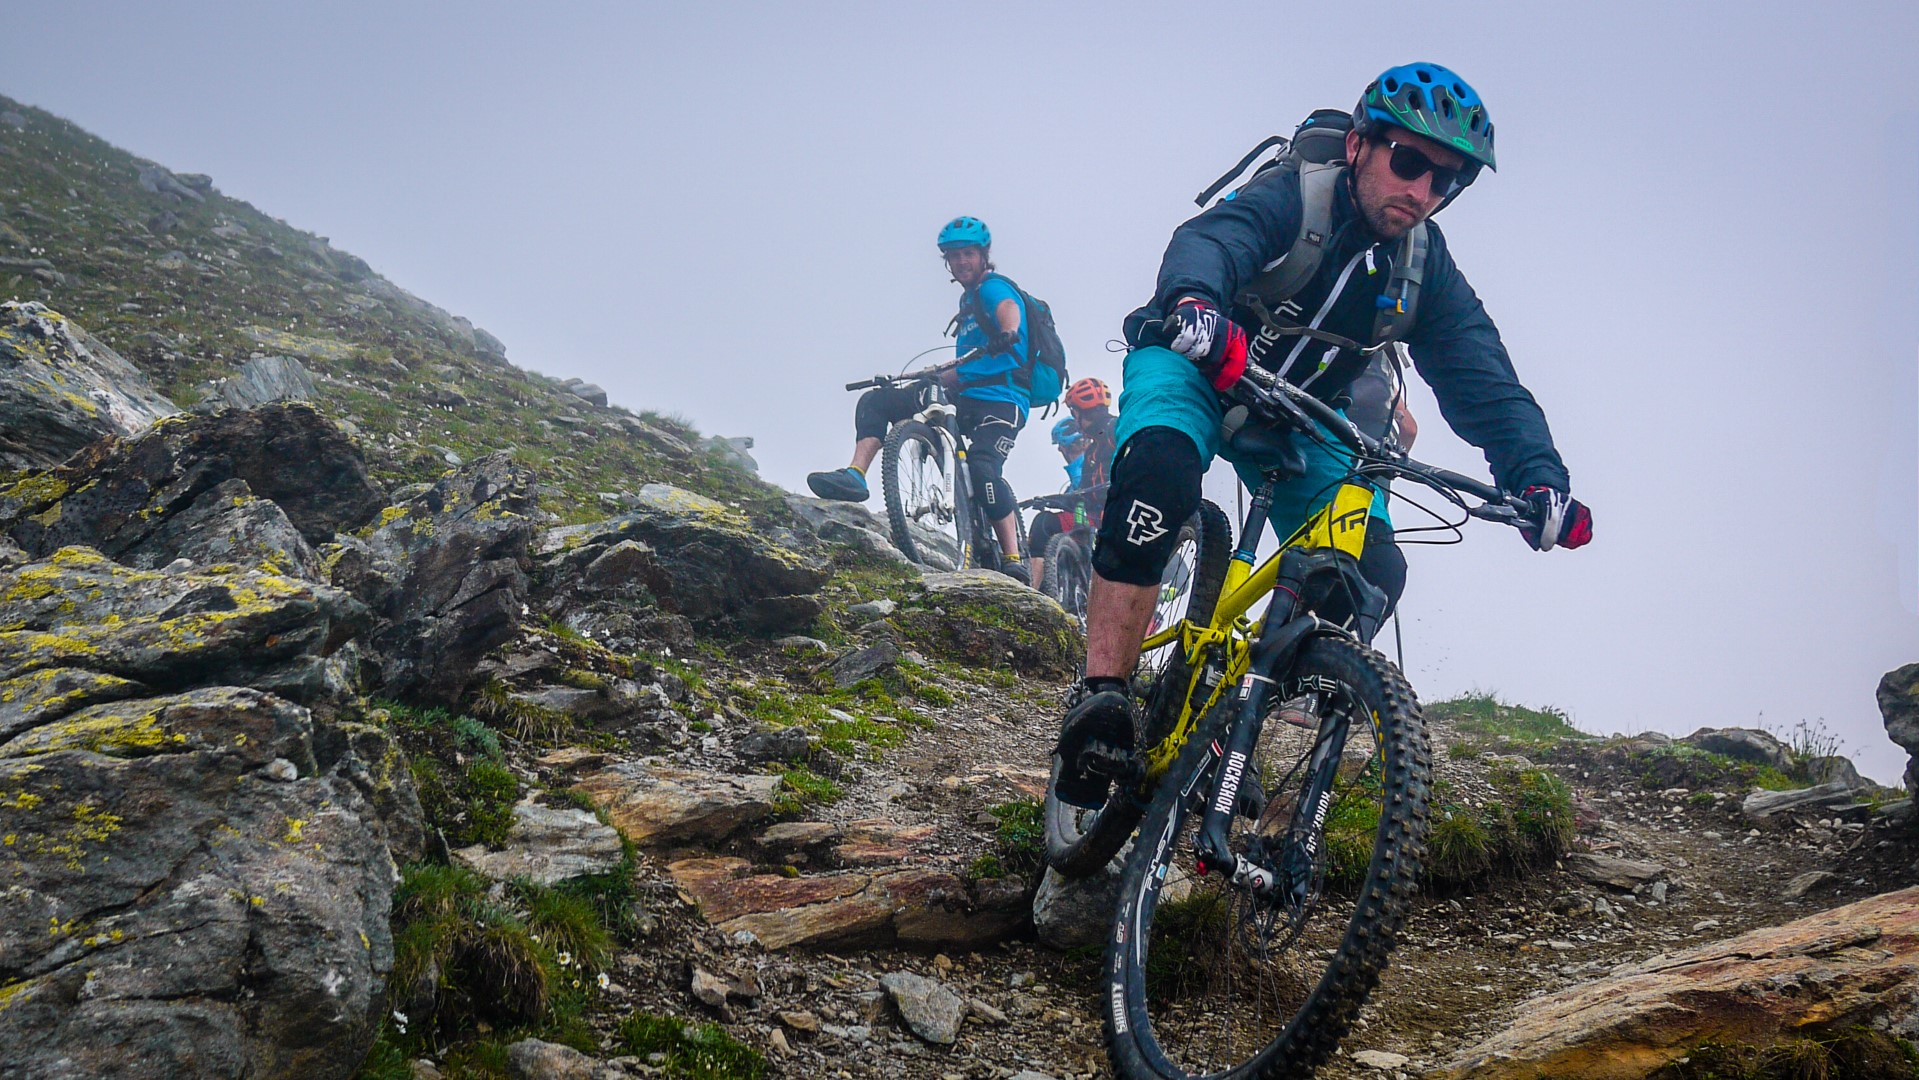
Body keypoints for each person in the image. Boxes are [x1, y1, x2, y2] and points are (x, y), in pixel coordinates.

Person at [1053, 63, 1594, 807]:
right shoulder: (1291, 195)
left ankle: (1225, 728)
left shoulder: (1422, 268)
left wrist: (1537, 477)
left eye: (1445, 181)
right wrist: (1194, 305)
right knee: (1157, 472)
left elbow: (1482, 376)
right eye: (1408, 162)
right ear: (1359, 146)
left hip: (1300, 417)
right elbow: (1211, 241)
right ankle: (1101, 698)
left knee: (1370, 569)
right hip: (1200, 364)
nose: (1421, 191)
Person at [807, 216, 1033, 583]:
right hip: (963, 393)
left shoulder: (992, 287)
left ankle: (1012, 556)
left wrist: (1008, 332)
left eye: (968, 254)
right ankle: (855, 475)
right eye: (954, 256)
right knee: (878, 402)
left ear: (983, 255)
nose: (961, 262)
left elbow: (1009, 307)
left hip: (1003, 399)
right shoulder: (967, 300)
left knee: (984, 469)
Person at [1027, 378, 1118, 587]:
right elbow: (1083, 494)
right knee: (1063, 516)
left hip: (1109, 517)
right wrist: (1052, 502)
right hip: (1098, 518)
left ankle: (1031, 592)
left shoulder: (1114, 431)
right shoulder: (1093, 452)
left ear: (1081, 412)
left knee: (1043, 524)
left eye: (1074, 413)